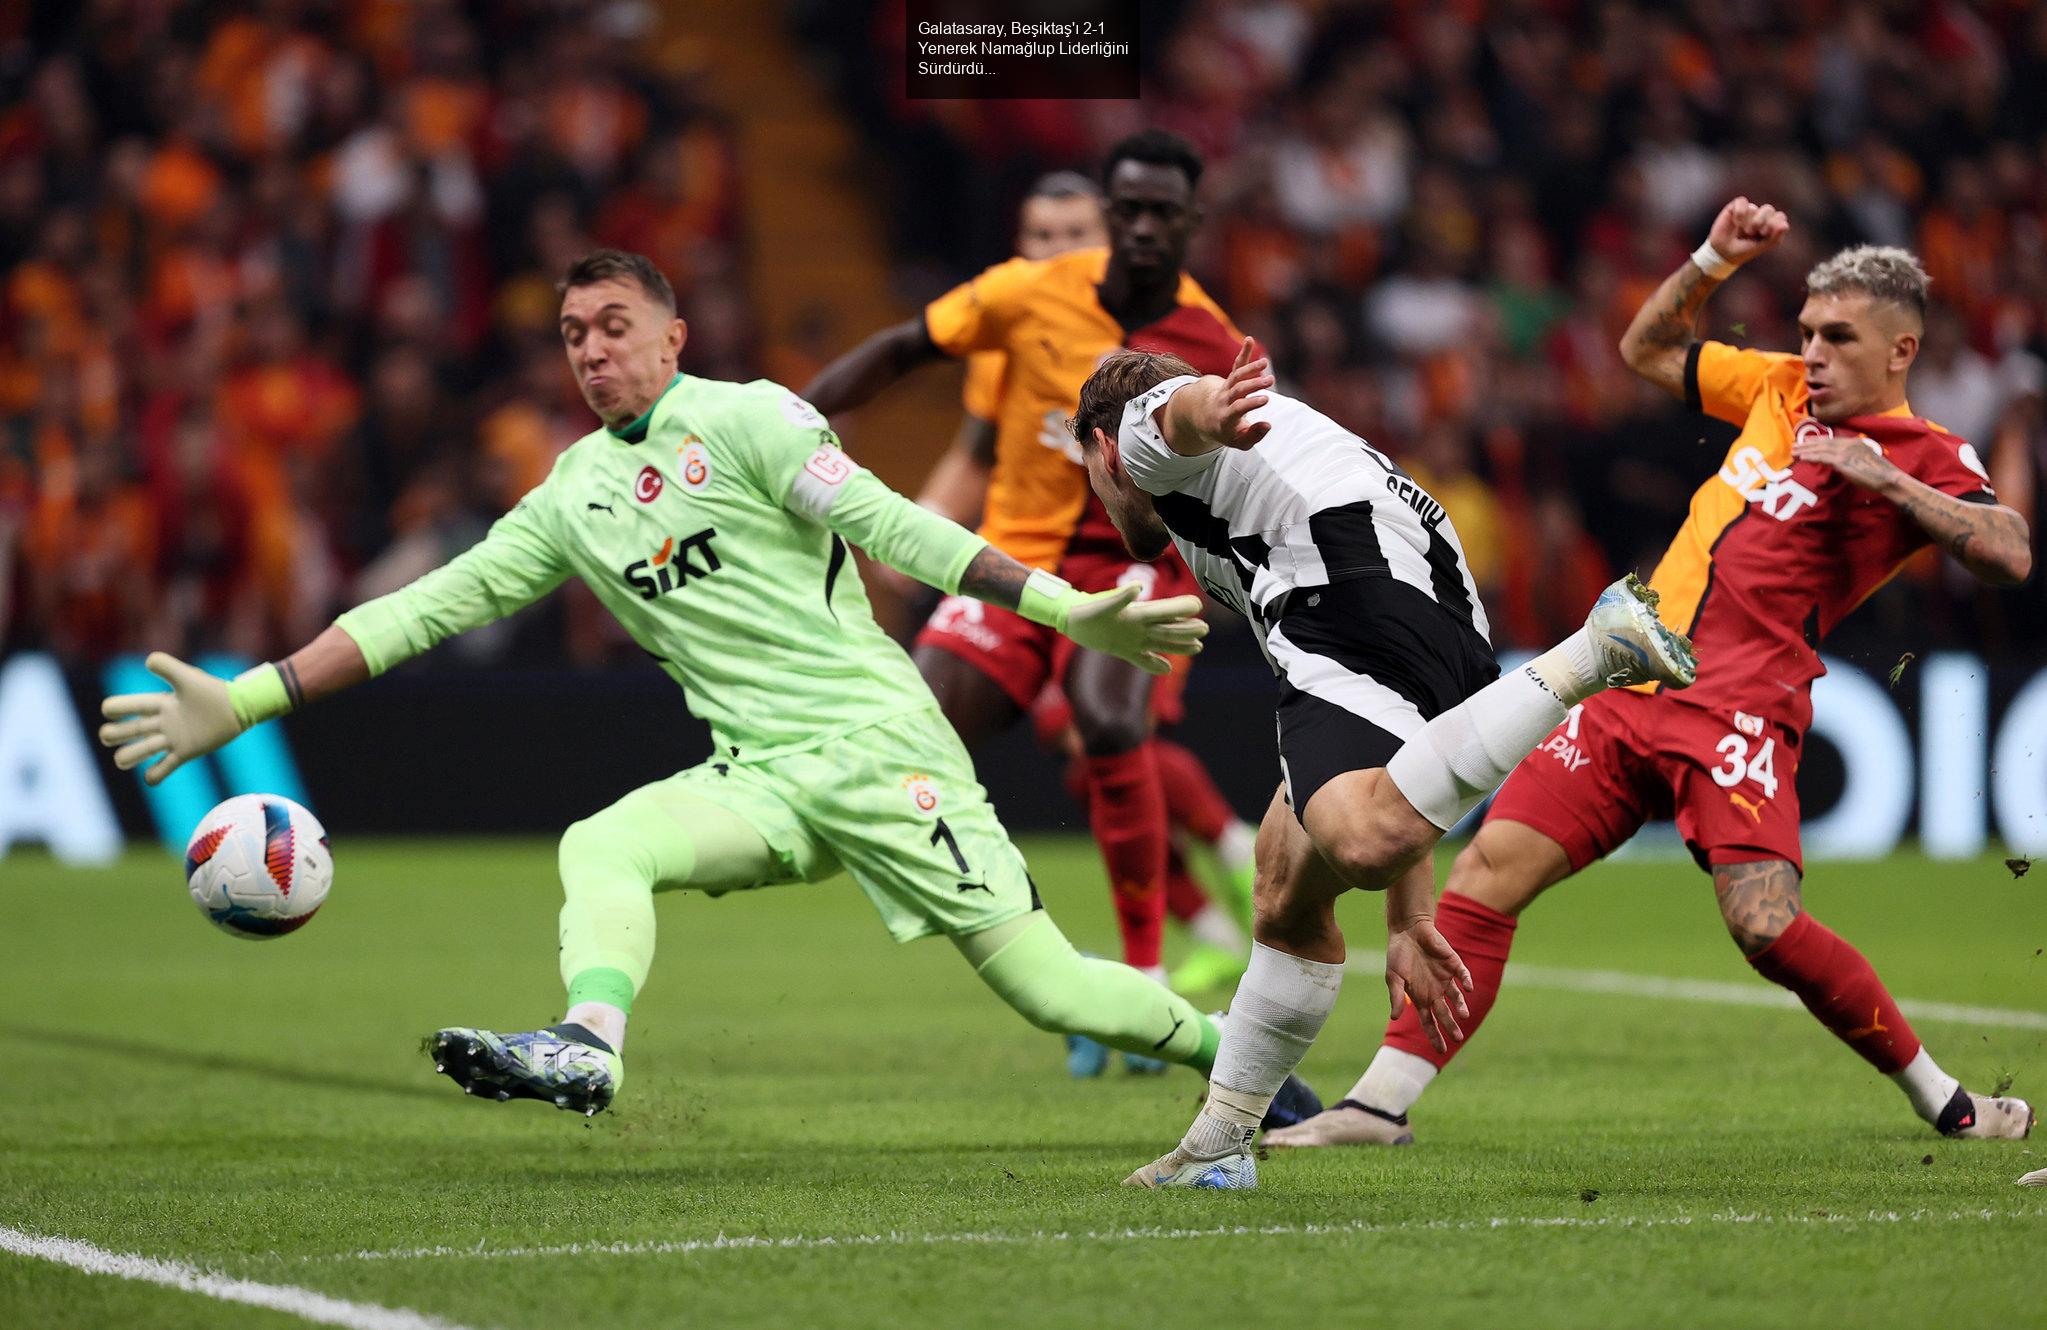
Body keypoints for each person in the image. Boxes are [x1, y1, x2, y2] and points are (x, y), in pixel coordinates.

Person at [97, 248, 1318, 1129]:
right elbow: (425, 607)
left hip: (885, 748)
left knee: (1049, 989)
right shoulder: (569, 493)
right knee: (605, 843)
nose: (592, 350)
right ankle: (588, 1047)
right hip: (764, 780)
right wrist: (247, 697)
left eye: (614, 324)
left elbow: (899, 529)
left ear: (672, 337)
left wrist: (1066, 609)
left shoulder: (750, 421)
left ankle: (1249, 1063)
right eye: (573, 334)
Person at [1270, 199, 2037, 1150]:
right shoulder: (1778, 388)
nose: (1815, 353)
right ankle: (1377, 1106)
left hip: (1738, 714)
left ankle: (1948, 1103)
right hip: (1628, 686)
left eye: (1838, 337)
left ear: (1901, 350)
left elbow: (2009, 553)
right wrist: (1713, 258)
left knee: (1762, 925)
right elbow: (1643, 348)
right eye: (1805, 332)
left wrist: (1886, 481)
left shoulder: (1928, 454)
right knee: (1487, 871)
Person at [1069, 338, 1699, 1188]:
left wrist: (1209, 408)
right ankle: (1218, 1147)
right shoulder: (1223, 512)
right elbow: (1392, 746)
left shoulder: (1141, 434)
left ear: (1101, 452)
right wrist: (1408, 918)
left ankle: (1592, 652)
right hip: (1424, 600)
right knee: (1285, 884)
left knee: (1356, 838)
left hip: (1343, 573)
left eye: (1090, 478)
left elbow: (1172, 412)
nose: (1103, 500)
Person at [806, 131, 1260, 1017]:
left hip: (1135, 563)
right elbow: (927, 379)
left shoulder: (1207, 337)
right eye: (1122, 210)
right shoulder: (1018, 305)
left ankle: (1149, 969)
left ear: (1190, 223)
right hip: (1013, 559)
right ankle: (1165, 902)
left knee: (1098, 721)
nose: (1133, 231)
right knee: (926, 735)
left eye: (1154, 214)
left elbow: (1240, 469)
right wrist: (780, 415)